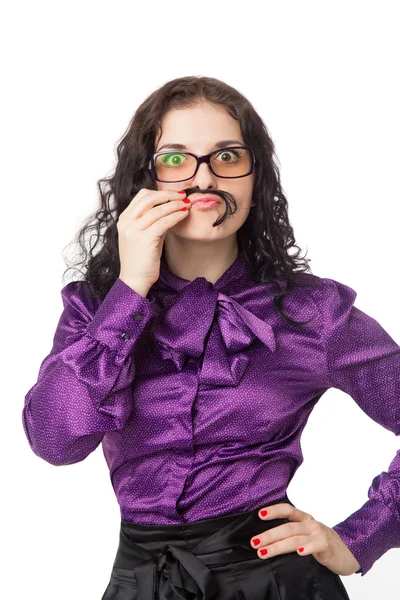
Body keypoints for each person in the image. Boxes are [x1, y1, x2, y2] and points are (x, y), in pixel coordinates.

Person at [21, 76, 400, 600]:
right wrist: (130, 290)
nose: (202, 179)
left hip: (278, 584)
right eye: (175, 159)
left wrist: (360, 539)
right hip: (140, 585)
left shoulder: (313, 314)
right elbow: (55, 440)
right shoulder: (93, 309)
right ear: (144, 178)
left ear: (255, 178)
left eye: (226, 156)